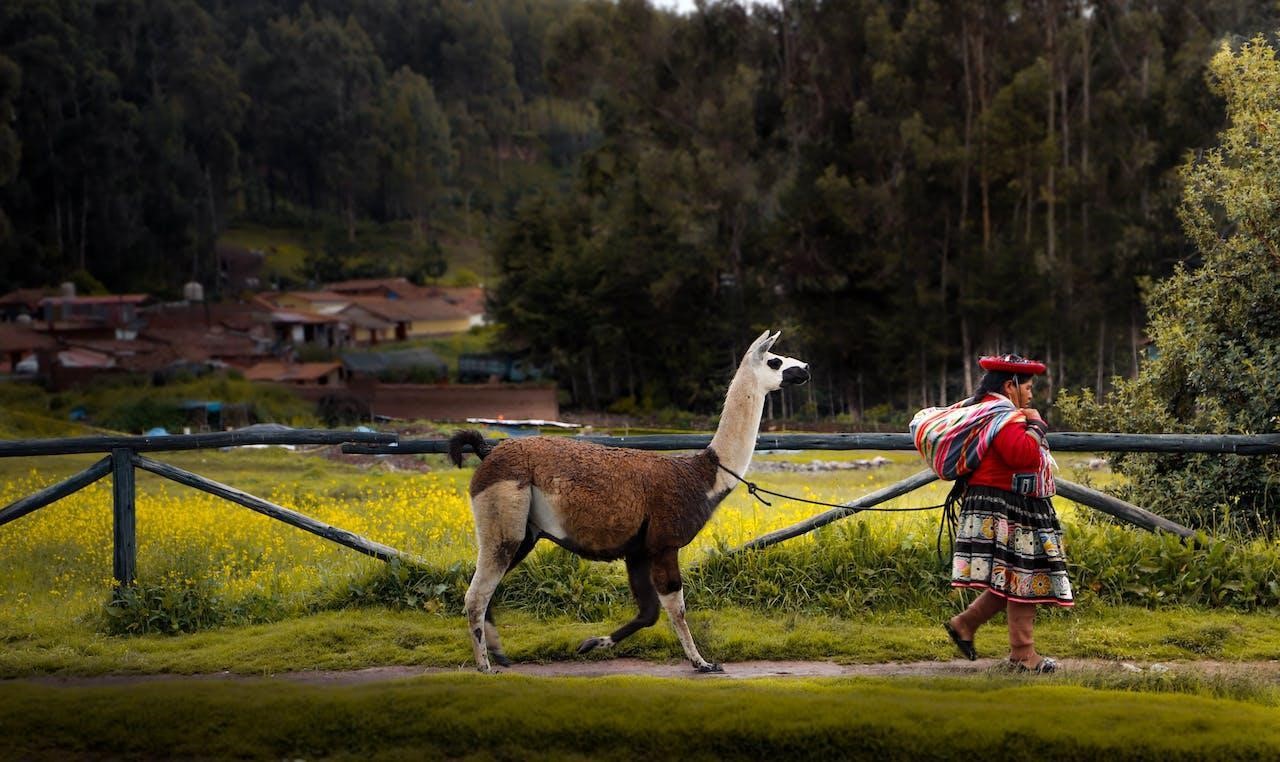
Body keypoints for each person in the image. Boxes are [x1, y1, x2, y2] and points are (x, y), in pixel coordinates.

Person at [940, 354, 1073, 673]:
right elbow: (1021, 455)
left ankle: (965, 625)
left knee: (1013, 578)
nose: (1030, 394)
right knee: (1024, 577)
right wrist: (1037, 424)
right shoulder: (1002, 414)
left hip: (999, 500)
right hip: (1007, 504)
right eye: (1027, 387)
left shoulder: (987, 410)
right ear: (1010, 386)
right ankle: (1023, 655)